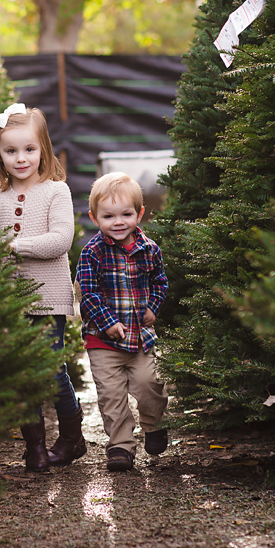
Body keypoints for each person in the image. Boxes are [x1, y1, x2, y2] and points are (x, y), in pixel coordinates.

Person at [0, 103, 85, 472]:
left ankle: (72, 438)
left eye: (29, 149)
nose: (20, 158)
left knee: (52, 370)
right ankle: (35, 446)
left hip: (49, 299)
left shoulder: (56, 191)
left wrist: (14, 246)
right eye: (10, 151)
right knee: (21, 373)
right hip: (10, 303)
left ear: (43, 150)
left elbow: (61, 240)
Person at [76, 171, 169, 472]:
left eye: (126, 214)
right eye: (108, 216)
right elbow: (87, 294)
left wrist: (153, 307)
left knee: (149, 384)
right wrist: (108, 323)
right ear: (94, 217)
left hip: (141, 338)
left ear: (139, 213)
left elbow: (160, 282)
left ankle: (154, 425)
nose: (118, 222)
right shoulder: (92, 253)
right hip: (103, 341)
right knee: (111, 395)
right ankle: (120, 446)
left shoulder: (149, 250)